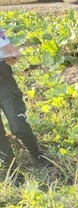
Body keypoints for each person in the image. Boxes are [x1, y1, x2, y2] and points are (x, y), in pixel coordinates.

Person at [0, 29, 49, 170]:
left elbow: (10, 53)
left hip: (4, 84)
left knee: (18, 126)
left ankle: (37, 155)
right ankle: (11, 170)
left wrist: (13, 56)